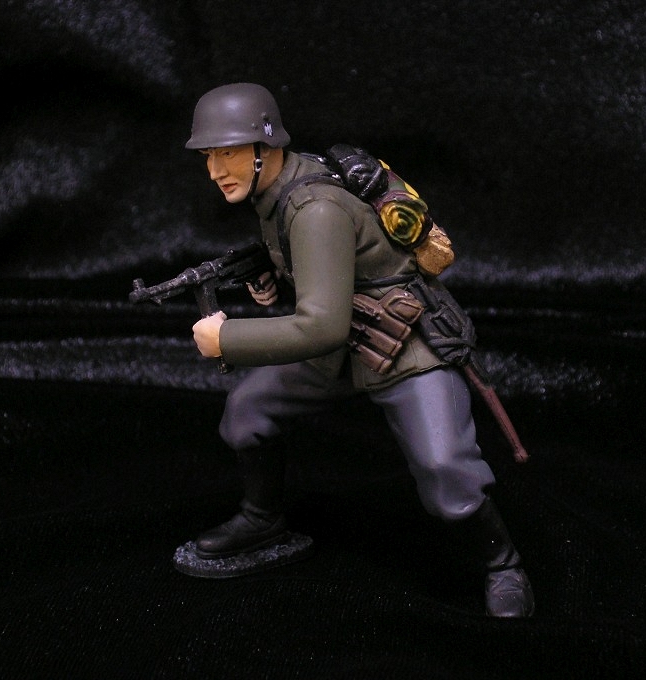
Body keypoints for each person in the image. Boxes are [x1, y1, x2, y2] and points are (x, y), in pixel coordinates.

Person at [186, 82, 534, 617]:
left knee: (444, 467)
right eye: (209, 155)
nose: (215, 170)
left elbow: (320, 327)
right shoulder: (276, 190)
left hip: (403, 346)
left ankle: (503, 565)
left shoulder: (313, 207)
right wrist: (274, 280)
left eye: (228, 153)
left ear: (265, 147)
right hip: (344, 345)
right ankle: (262, 519)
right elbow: (324, 283)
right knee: (248, 411)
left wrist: (224, 339)